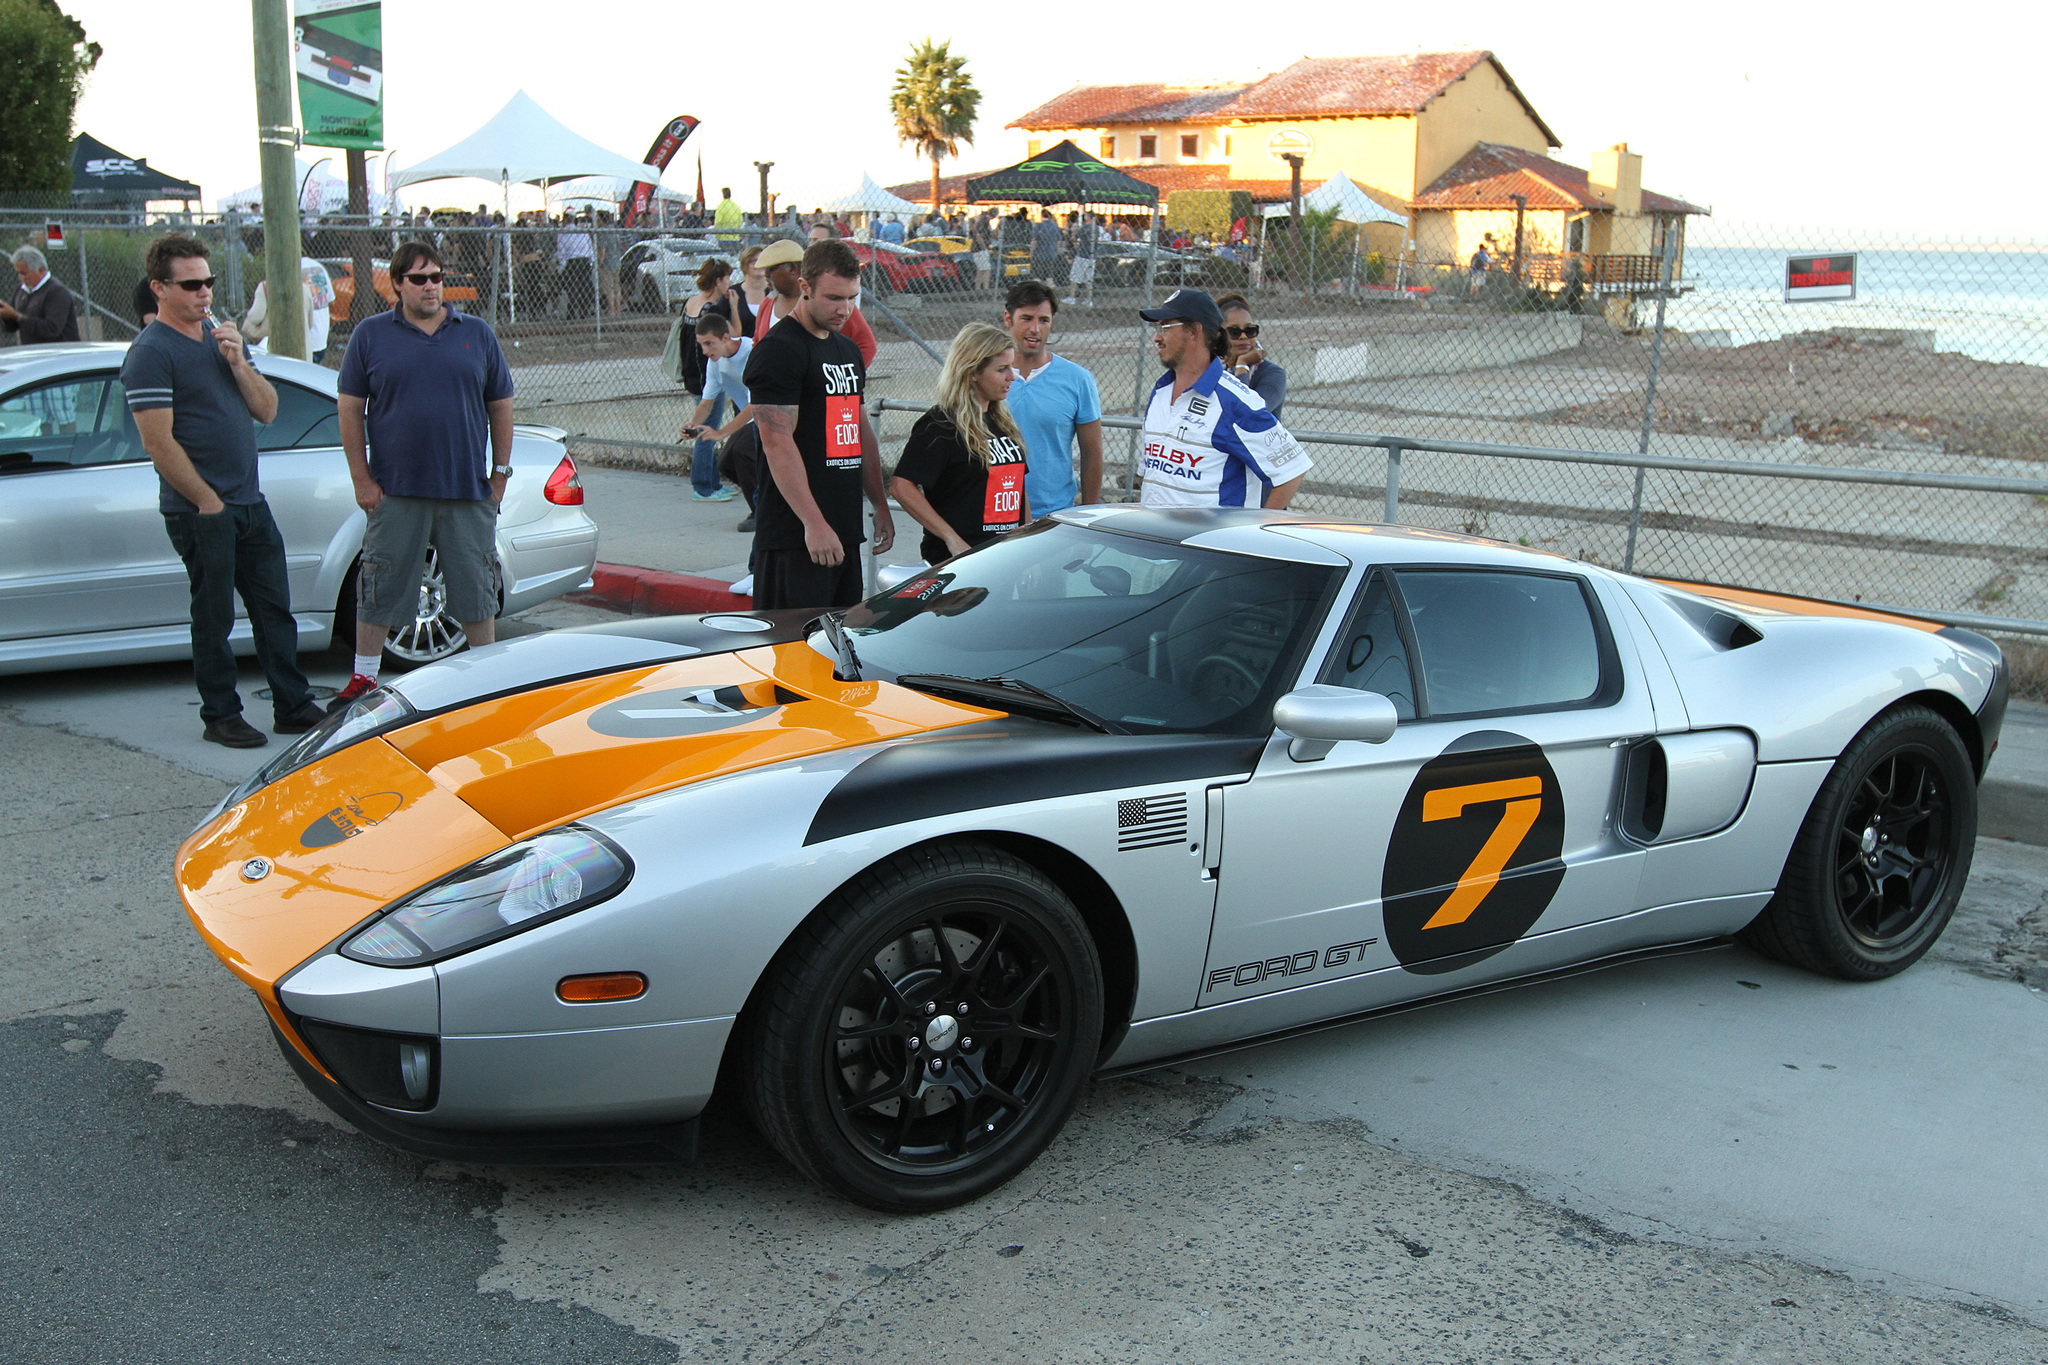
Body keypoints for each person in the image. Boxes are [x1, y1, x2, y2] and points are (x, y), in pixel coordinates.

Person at [120, 234, 323, 747]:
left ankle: (292, 704)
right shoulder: (151, 353)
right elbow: (157, 441)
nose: (204, 292)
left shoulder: (221, 337)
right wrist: (207, 501)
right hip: (202, 509)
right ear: (160, 289)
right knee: (213, 616)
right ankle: (220, 714)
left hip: (250, 501)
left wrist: (238, 361)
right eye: (191, 284)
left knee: (274, 608)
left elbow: (269, 410)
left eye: (208, 281)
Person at [329, 241, 515, 709]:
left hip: (465, 490)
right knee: (381, 584)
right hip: (396, 492)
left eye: (435, 276)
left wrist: (499, 477)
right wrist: (361, 479)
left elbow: (501, 406)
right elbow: (350, 409)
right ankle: (364, 680)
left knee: (475, 588)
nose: (430, 286)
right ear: (396, 284)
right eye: (418, 278)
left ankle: (487, 683)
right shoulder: (370, 336)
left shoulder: (475, 333)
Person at [741, 239, 894, 610]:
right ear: (805, 288)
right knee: (792, 652)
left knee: (839, 653)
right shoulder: (779, 350)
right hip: (796, 536)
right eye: (833, 298)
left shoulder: (846, 349)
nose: (844, 309)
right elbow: (777, 443)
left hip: (843, 527)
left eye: (851, 298)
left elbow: (858, 430)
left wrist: (879, 502)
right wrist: (814, 523)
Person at [1136, 288, 1311, 510]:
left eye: (1165, 327)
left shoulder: (1232, 400)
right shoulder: (1161, 390)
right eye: (1157, 328)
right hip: (1158, 540)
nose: (1156, 337)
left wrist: (1256, 533)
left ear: (1194, 332)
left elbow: (1292, 471)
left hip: (1207, 544)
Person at [890, 322, 1030, 564]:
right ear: (972, 372)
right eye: (1002, 369)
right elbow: (901, 486)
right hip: (959, 560)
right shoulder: (940, 425)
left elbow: (1017, 486)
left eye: (1012, 367)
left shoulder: (1002, 421)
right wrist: (951, 539)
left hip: (1006, 556)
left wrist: (1028, 538)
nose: (1012, 377)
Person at [1001, 279, 1103, 515]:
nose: (1035, 329)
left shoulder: (1077, 379)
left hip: (1053, 515)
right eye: (1026, 318)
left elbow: (1092, 453)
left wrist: (1087, 517)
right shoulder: (986, 375)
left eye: (1043, 320)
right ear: (1008, 319)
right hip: (992, 515)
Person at [752, 238, 877, 367]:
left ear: (792, 269)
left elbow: (866, 345)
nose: (765, 275)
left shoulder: (829, 303)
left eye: (771, 269)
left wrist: (843, 378)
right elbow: (757, 344)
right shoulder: (767, 304)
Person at [679, 270, 742, 503]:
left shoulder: (691, 303)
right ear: (718, 281)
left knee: (704, 427)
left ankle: (712, 482)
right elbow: (734, 333)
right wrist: (734, 307)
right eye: (727, 278)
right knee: (708, 432)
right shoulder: (713, 310)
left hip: (693, 375)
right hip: (707, 377)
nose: (729, 283)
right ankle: (705, 487)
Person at [1215, 292, 1285, 418]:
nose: (1243, 336)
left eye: (1250, 330)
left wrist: (1242, 365)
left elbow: (1248, 414)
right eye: (1234, 332)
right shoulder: (1213, 370)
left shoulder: (1273, 373)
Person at [3, 247, 80, 343]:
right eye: (18, 273)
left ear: (40, 270)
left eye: (24, 273)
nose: (20, 278)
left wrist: (17, 316)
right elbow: (12, 327)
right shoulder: (21, 290)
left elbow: (52, 329)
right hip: (33, 354)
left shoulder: (57, 292)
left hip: (59, 354)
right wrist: (5, 314)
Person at [1067, 212, 1097, 306]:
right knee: (1089, 279)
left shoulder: (1085, 227)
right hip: (1092, 256)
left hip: (1082, 255)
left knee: (1074, 277)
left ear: (1089, 217)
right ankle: (1089, 300)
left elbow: (1074, 238)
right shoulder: (1096, 228)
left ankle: (1072, 298)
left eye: (1086, 216)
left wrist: (1073, 231)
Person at [1030, 210, 1063, 282]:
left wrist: (1031, 252)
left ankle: (1037, 290)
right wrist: (1056, 251)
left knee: (1037, 274)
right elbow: (1059, 241)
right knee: (1049, 275)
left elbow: (1034, 240)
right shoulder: (1055, 226)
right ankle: (1050, 288)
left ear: (1041, 215)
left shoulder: (1038, 226)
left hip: (1039, 254)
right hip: (1051, 253)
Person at [1467, 235, 1494, 300]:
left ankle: (1470, 297)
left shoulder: (1476, 254)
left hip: (1474, 271)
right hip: (1481, 271)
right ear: (1483, 249)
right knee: (1478, 285)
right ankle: (1476, 297)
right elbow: (1489, 261)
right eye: (1485, 249)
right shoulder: (1483, 255)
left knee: (1473, 284)